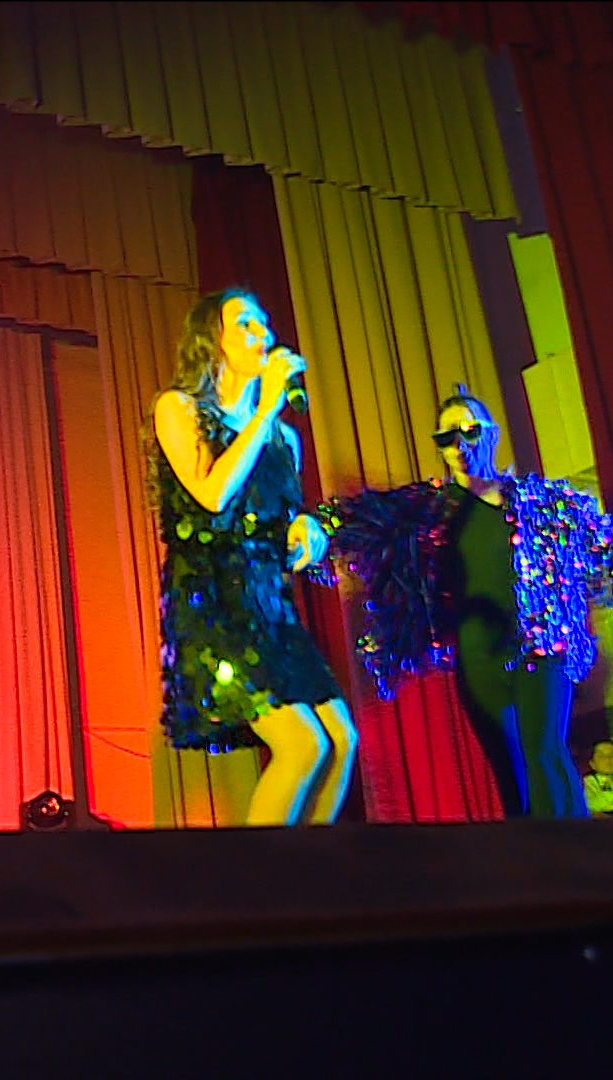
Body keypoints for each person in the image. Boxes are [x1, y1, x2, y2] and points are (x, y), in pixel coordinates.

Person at [307, 387, 613, 819]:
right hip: (478, 656)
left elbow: (612, 545)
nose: (459, 445)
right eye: (447, 437)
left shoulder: (542, 504)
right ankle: (533, 855)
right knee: (510, 771)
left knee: (544, 751)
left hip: (541, 646)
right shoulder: (428, 510)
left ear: (491, 434)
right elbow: (362, 519)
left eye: (469, 431)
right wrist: (307, 530)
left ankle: (577, 850)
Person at [150, 288, 357, 828]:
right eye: (245, 323)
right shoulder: (180, 408)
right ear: (210, 341)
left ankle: (308, 871)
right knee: (303, 745)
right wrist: (264, 410)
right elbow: (212, 494)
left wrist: (307, 529)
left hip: (270, 603)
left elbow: (282, 515)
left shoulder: (283, 437)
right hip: (216, 601)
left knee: (341, 741)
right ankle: (256, 872)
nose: (262, 334)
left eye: (264, 324)